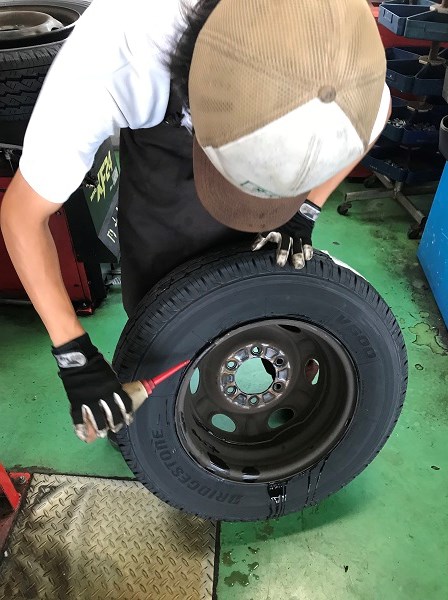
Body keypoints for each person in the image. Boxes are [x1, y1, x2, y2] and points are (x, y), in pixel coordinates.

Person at [0, 0, 391, 443]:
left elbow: (376, 115)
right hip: (164, 160)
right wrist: (74, 354)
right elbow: (23, 215)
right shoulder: (120, 55)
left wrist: (304, 209)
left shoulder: (345, 63)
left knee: (254, 273)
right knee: (159, 306)